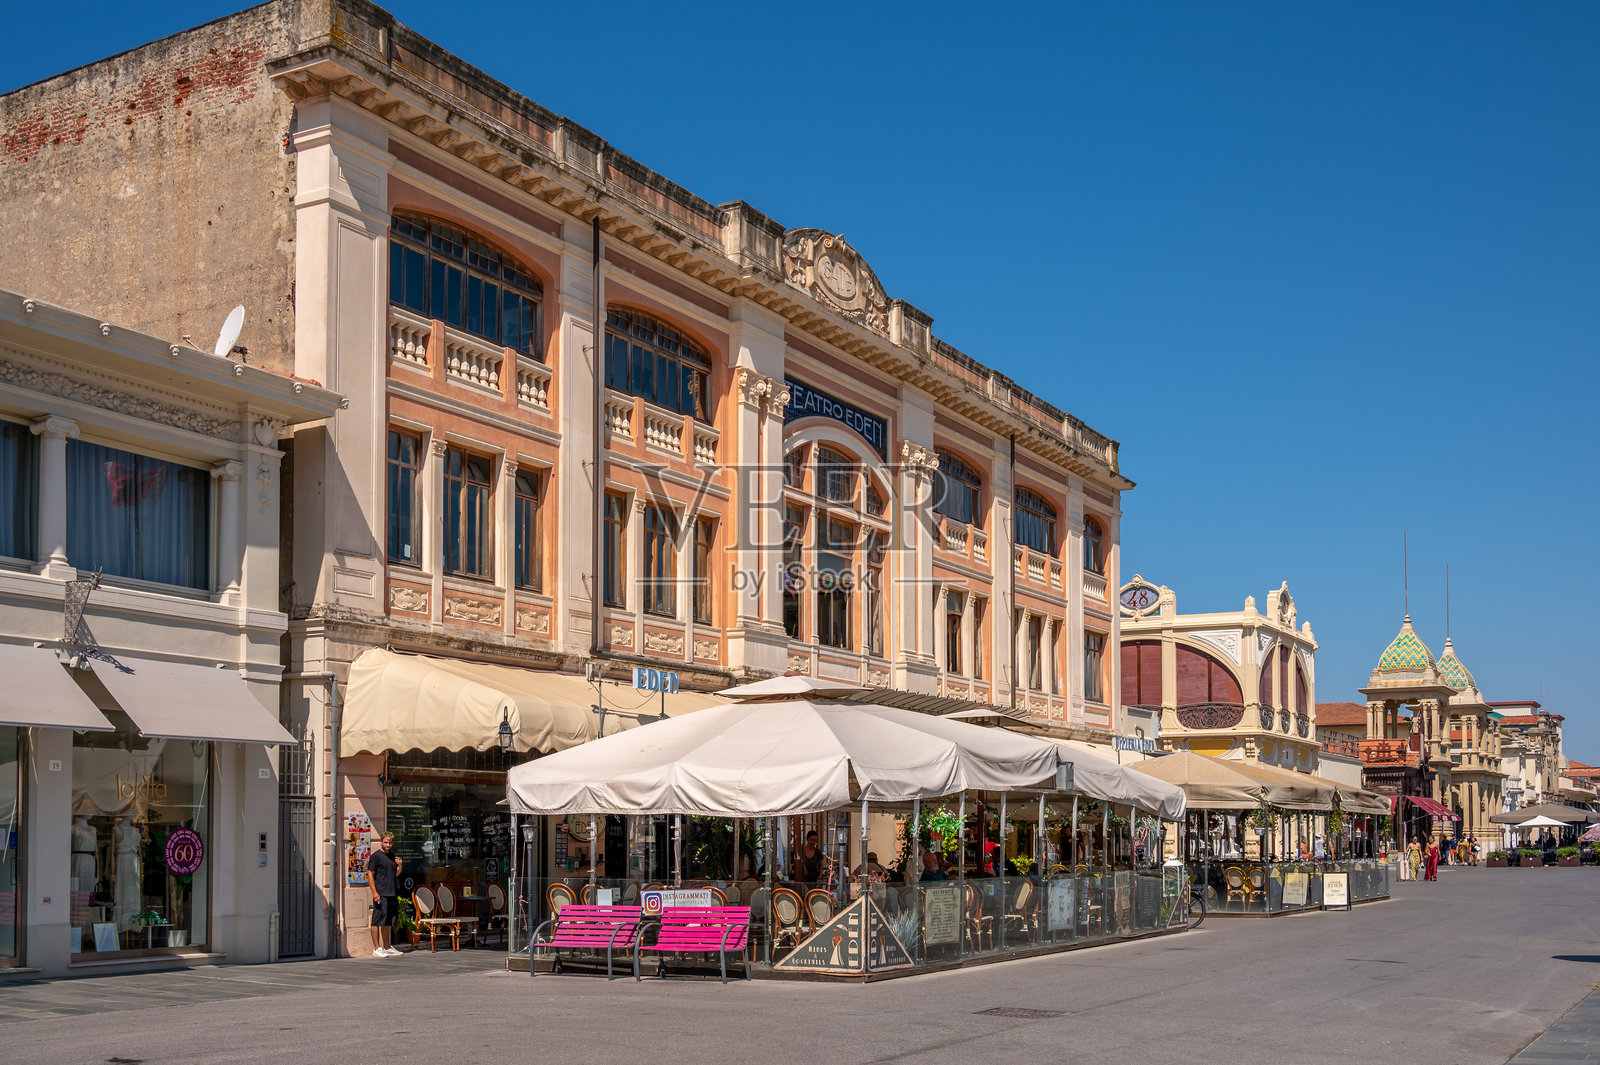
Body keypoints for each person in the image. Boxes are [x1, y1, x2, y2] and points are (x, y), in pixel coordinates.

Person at [366, 831, 403, 957]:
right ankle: (377, 948)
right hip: (380, 892)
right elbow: (370, 873)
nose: (388, 845)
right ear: (381, 842)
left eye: (390, 842)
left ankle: (387, 947)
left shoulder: (392, 856)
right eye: (386, 842)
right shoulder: (376, 856)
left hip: (391, 892)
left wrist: (399, 866)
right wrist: (374, 892)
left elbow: (395, 874)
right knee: (377, 920)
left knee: (388, 921)